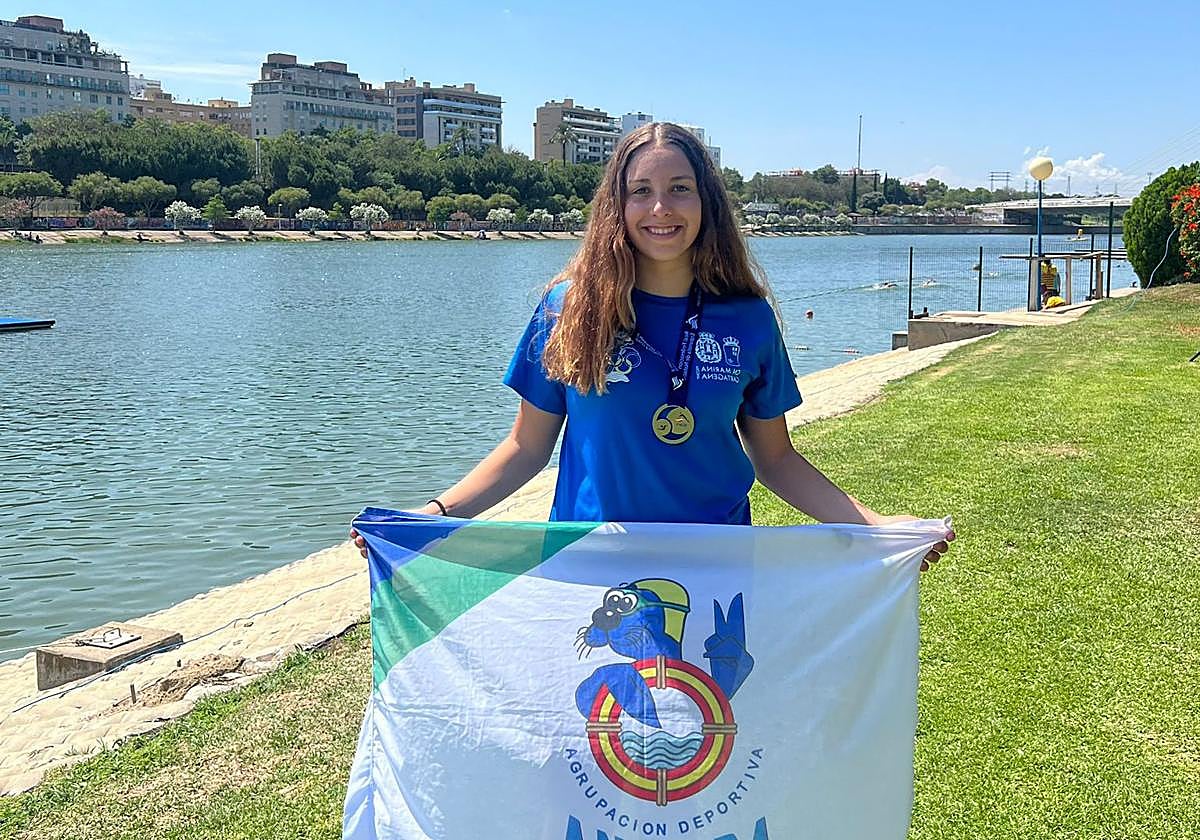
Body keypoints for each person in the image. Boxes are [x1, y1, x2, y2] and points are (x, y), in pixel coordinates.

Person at [352, 122, 951, 568]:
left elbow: (776, 460)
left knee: (711, 733)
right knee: (598, 728)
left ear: (706, 202)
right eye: (640, 191)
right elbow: (524, 449)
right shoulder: (568, 309)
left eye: (680, 188)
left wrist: (874, 526)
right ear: (617, 204)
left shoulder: (748, 320)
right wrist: (433, 516)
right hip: (592, 565)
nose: (660, 208)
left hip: (714, 565)